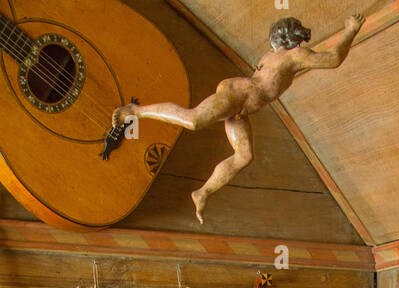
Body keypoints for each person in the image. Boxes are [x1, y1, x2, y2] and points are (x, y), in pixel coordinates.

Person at [112, 15, 365, 223]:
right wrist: (350, 31)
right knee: (193, 121)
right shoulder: (294, 55)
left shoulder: (282, 55)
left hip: (241, 106)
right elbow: (333, 59)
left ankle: (202, 192)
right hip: (237, 95)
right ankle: (134, 111)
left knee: (244, 156)